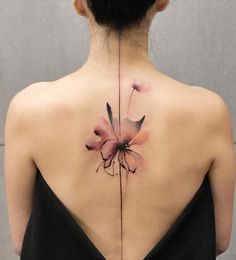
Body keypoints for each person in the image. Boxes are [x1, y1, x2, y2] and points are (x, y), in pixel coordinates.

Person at [4, 0, 236, 259]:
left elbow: (24, 242)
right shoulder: (209, 113)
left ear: (79, 4)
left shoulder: (28, 110)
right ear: (161, 2)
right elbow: (219, 238)